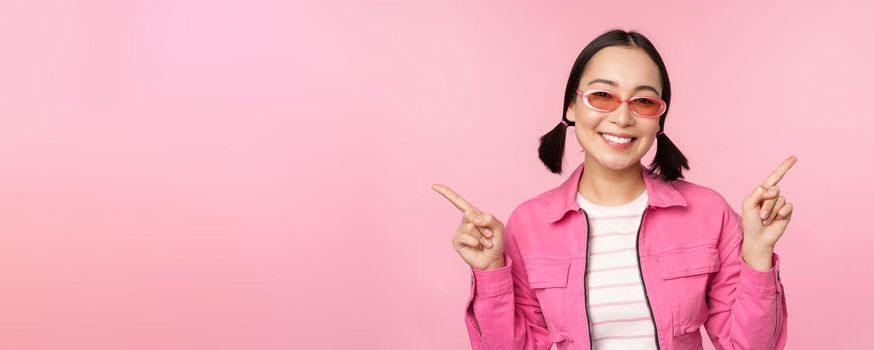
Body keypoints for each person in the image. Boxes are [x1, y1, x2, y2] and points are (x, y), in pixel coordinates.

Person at [432, 29, 792, 350]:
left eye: (644, 101)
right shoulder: (529, 225)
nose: (622, 117)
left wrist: (758, 254)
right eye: (603, 96)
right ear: (572, 106)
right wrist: (491, 272)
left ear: (658, 120)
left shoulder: (709, 212)